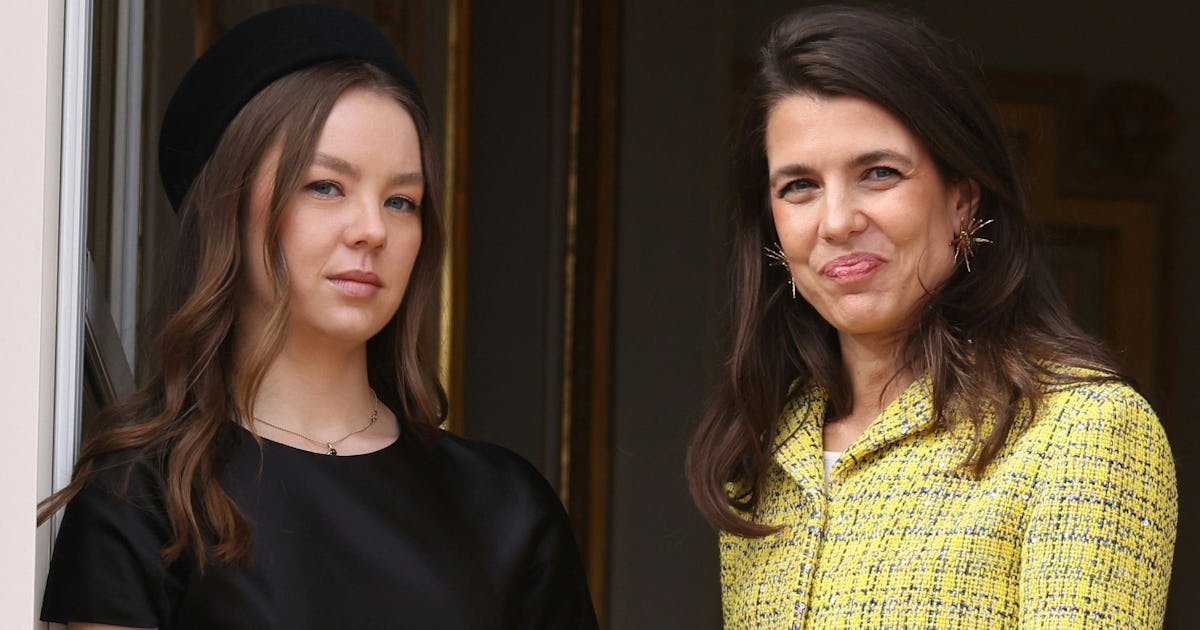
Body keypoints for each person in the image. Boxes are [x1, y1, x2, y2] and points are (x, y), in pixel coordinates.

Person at [38, 6, 597, 629]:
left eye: (401, 201)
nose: (372, 229)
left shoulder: (507, 507)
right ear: (229, 204)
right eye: (326, 186)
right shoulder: (145, 498)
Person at [687, 5, 1176, 628]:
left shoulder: (1084, 433)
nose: (837, 221)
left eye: (880, 173)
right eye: (799, 186)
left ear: (962, 200)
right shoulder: (764, 453)